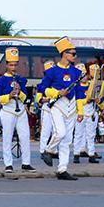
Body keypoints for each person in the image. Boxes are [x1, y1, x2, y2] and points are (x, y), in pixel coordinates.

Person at [40, 37, 84, 181]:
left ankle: (62, 169)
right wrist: (57, 93)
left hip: (72, 108)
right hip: (58, 105)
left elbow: (80, 94)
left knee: (67, 140)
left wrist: (80, 111)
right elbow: (42, 89)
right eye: (73, 53)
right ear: (65, 54)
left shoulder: (76, 73)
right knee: (60, 132)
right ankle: (48, 150)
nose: (75, 56)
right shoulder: (52, 72)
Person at [0, 47, 34, 173]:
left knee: (25, 136)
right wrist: (9, 96)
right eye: (11, 65)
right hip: (7, 110)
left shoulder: (20, 79)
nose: (13, 68)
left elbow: (26, 96)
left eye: (15, 65)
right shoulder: (1, 80)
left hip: (20, 110)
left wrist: (19, 91)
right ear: (6, 65)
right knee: (7, 137)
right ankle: (8, 164)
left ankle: (26, 163)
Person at [75, 63, 102, 164]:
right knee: (78, 134)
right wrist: (87, 100)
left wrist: (98, 100)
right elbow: (77, 101)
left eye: (85, 74)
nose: (84, 77)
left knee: (91, 135)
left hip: (91, 113)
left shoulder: (92, 85)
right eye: (81, 75)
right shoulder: (76, 87)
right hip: (80, 114)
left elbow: (97, 97)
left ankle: (91, 154)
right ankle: (76, 154)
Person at [34, 60, 56, 158]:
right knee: (46, 131)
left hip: (58, 109)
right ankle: (43, 150)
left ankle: (54, 150)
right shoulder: (42, 84)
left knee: (56, 131)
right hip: (47, 109)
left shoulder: (58, 83)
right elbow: (38, 99)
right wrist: (45, 99)